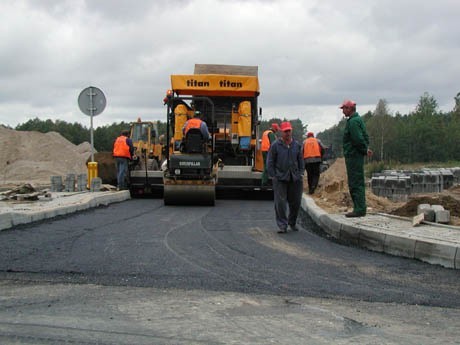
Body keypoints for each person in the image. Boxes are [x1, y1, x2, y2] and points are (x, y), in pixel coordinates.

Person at [267, 121, 304, 233]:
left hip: (295, 178)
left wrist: (301, 173)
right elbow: (270, 162)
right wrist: (274, 175)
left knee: (296, 202)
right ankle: (282, 225)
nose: (288, 133)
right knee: (281, 203)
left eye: (289, 131)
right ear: (281, 132)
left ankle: (292, 223)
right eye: (285, 131)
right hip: (280, 178)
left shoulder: (296, 145)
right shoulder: (275, 146)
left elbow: (301, 160)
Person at [340, 99, 373, 217]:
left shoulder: (353, 122)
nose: (343, 111)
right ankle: (359, 207)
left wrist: (364, 149)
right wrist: (365, 149)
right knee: (356, 181)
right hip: (355, 155)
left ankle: (359, 209)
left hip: (354, 156)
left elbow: (358, 139)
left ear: (349, 109)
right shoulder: (356, 120)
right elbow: (363, 137)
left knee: (355, 182)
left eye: (344, 108)